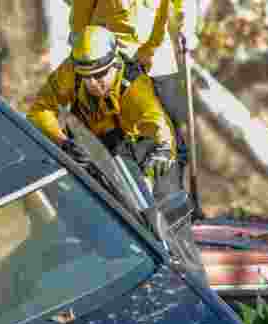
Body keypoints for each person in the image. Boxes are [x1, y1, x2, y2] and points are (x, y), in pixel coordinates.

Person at [27, 25, 180, 197]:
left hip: (126, 156)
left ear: (114, 64)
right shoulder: (72, 69)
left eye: (99, 75)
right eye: (86, 76)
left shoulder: (135, 86)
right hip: (82, 149)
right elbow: (40, 109)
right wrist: (63, 143)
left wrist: (164, 150)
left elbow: (158, 122)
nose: (92, 83)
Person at [69, 0, 199, 153]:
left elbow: (184, 5)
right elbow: (82, 8)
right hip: (110, 55)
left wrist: (187, 30)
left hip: (156, 59)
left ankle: (164, 166)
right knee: (102, 123)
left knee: (167, 127)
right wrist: (80, 39)